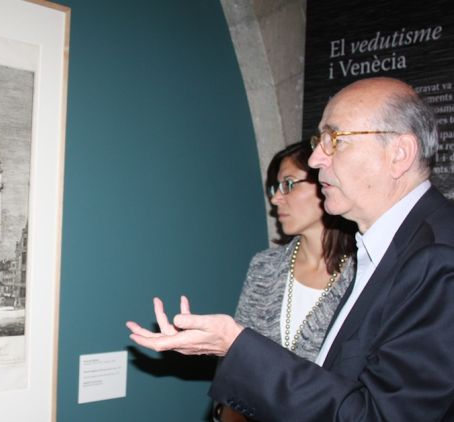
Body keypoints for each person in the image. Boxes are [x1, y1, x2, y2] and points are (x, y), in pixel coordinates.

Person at [127, 77, 454, 421]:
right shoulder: (383, 249)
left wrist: (238, 346)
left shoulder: (439, 259)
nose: (315, 159)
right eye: (319, 140)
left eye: (334, 140)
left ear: (399, 153)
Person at [215, 141, 357, 422]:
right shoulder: (265, 266)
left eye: (289, 184)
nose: (276, 198)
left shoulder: (363, 274)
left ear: (324, 181)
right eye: (275, 188)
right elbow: (237, 358)